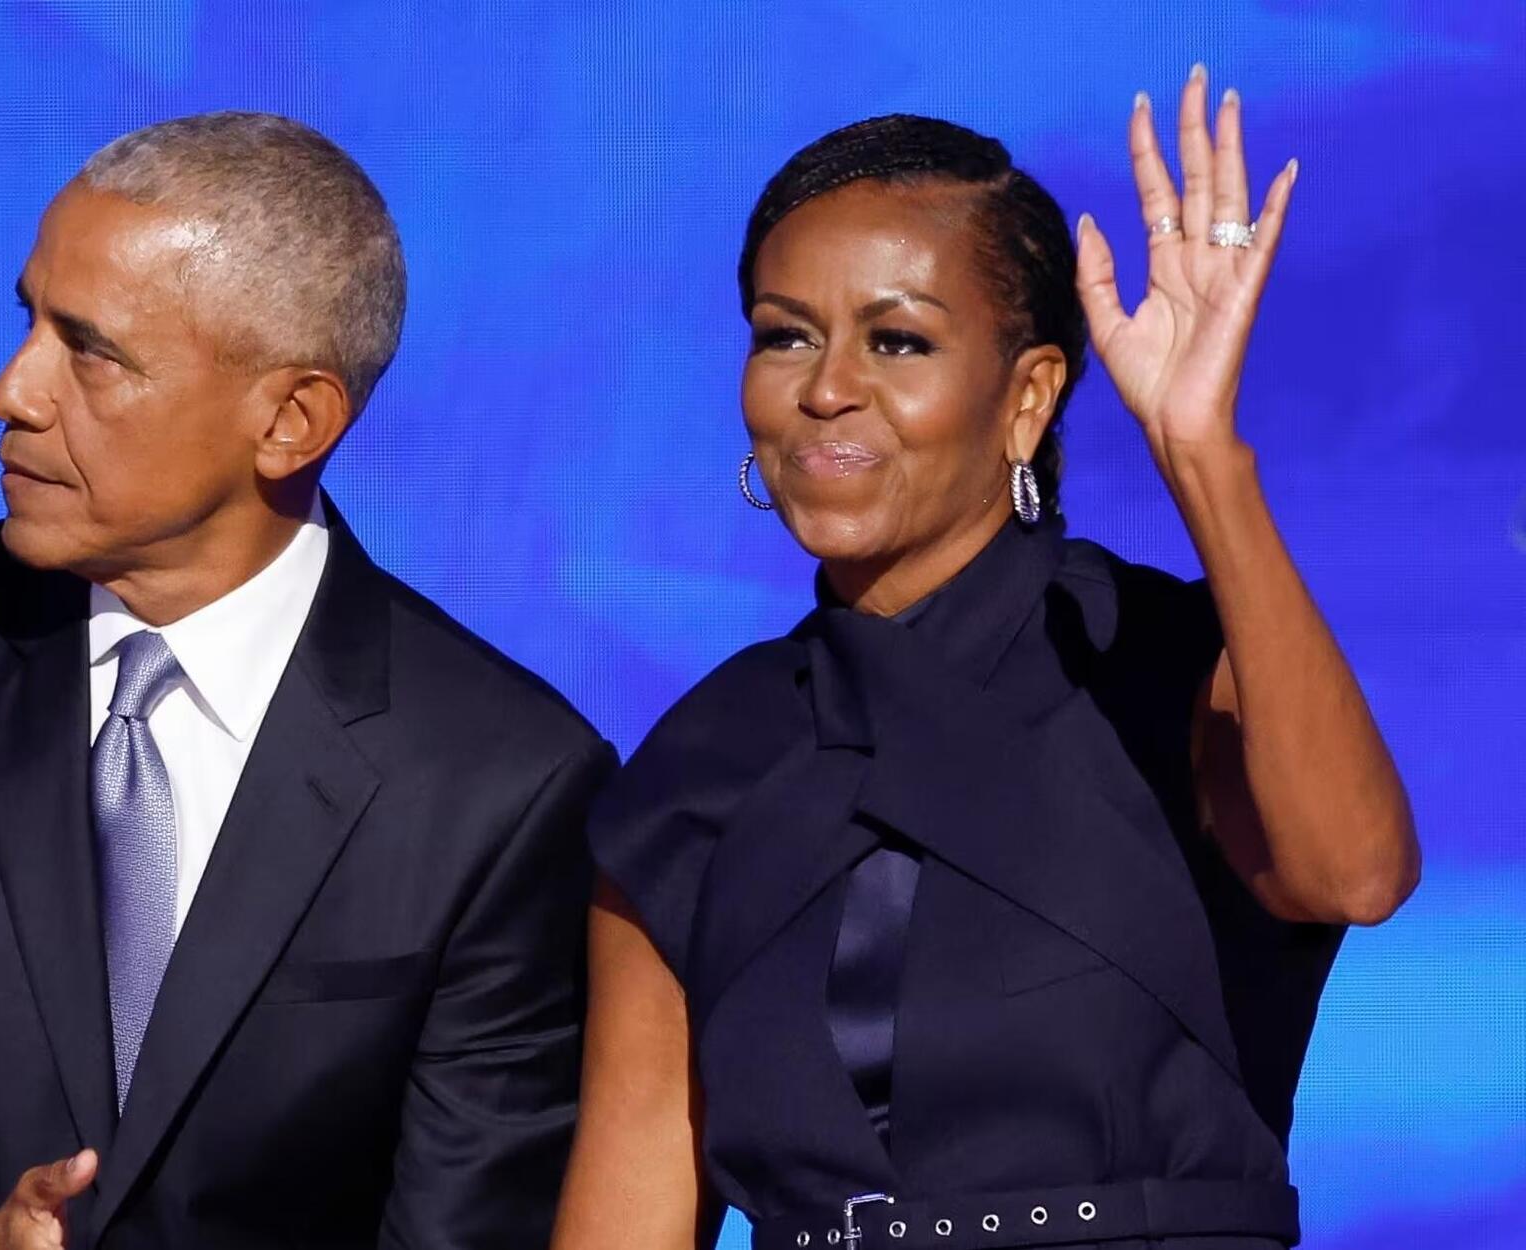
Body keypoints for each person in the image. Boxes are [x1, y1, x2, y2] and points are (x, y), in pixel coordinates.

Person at [0, 112, 616, 1250]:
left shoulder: (498, 777)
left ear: (290, 419)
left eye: (89, 349)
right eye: (28, 322)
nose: (13, 389)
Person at [554, 69, 1419, 1250]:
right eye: (783, 335)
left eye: (896, 340)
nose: (824, 389)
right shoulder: (700, 763)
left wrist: (1201, 454)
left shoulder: (1158, 662)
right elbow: (625, 1208)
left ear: (1026, 399)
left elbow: (1354, 874)